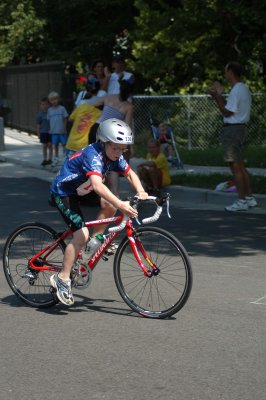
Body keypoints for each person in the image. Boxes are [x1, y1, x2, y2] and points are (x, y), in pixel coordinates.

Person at [49, 118, 148, 306]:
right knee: (81, 234)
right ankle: (62, 279)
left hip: (83, 189)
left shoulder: (113, 154)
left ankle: (93, 243)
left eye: (122, 149)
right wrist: (121, 203)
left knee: (108, 205)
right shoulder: (92, 155)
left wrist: (141, 190)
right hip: (65, 192)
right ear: (103, 142)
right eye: (115, 148)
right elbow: (96, 184)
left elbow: (129, 173)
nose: (119, 153)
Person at [208, 62, 257, 212]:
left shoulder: (237, 90)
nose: (225, 75)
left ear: (230, 72)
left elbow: (227, 113)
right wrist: (220, 95)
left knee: (235, 166)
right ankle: (249, 198)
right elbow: (229, 109)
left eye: (225, 71)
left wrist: (216, 96)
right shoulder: (242, 88)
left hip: (233, 130)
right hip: (239, 129)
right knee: (240, 165)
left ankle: (241, 200)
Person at [47, 91, 69, 167]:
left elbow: (66, 118)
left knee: (64, 144)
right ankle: (56, 159)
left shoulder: (62, 108)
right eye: (52, 100)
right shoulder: (49, 110)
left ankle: (65, 158)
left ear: (58, 99)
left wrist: (64, 128)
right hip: (54, 131)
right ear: (50, 101)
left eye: (55, 99)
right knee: (55, 145)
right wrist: (50, 129)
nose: (54, 101)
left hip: (62, 131)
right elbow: (49, 120)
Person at [36, 97, 52, 166]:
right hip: (43, 132)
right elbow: (38, 125)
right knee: (44, 146)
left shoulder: (51, 112)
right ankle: (45, 159)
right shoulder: (39, 114)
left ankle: (50, 159)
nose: (44, 106)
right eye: (43, 104)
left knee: (50, 145)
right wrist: (38, 133)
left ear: (49, 105)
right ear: (40, 106)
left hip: (51, 132)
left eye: (46, 104)